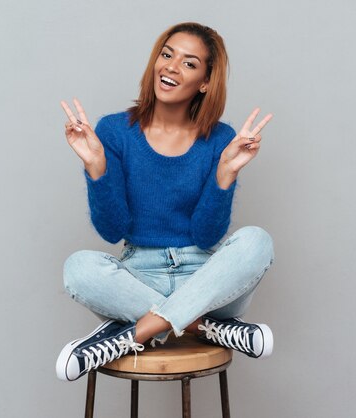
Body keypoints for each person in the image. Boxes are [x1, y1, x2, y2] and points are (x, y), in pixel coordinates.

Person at [56, 22, 275, 382]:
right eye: (167, 54)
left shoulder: (221, 138)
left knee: (257, 241)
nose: (171, 67)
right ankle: (204, 327)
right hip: (138, 275)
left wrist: (225, 173)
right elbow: (113, 231)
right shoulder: (114, 130)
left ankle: (132, 335)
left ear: (205, 82)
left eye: (189, 63)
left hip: (205, 278)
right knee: (78, 267)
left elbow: (206, 237)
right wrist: (96, 167)